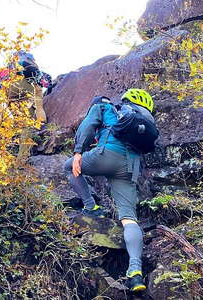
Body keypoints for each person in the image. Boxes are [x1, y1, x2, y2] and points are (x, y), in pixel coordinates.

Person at [64, 89, 155, 292]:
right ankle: (135, 273)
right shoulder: (139, 117)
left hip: (106, 154)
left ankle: (91, 207)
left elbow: (87, 127)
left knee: (67, 167)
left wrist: (78, 152)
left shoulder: (103, 106)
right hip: (130, 167)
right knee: (129, 219)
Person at [3, 51, 51, 161]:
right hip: (23, 86)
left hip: (7, 90)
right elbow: (42, 85)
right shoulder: (31, 67)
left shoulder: (12, 66)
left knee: (18, 121)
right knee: (26, 124)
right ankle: (22, 158)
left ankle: (6, 153)